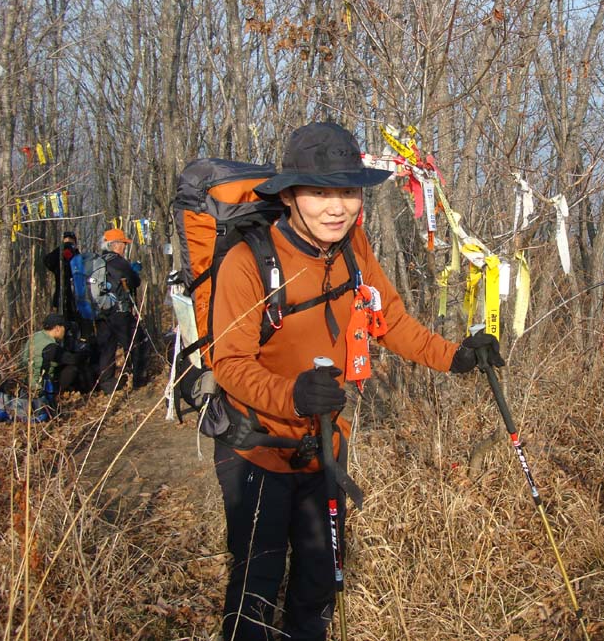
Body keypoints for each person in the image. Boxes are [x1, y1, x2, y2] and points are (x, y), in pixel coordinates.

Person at [210, 121, 503, 641]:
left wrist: (455, 357)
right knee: (255, 591)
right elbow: (229, 363)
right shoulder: (247, 261)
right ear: (291, 194)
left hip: (326, 448)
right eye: (321, 192)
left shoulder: (353, 249)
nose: (337, 206)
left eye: (347, 191)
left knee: (319, 585)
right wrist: (293, 395)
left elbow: (389, 320)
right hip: (256, 453)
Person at [96, 227, 144, 394]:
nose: (124, 247)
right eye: (123, 244)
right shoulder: (120, 262)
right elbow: (134, 282)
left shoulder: (98, 261)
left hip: (102, 312)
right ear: (115, 245)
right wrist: (134, 271)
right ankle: (137, 378)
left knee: (107, 348)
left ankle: (107, 384)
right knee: (134, 342)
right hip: (120, 312)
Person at [21, 312, 92, 398]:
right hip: (39, 386)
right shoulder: (50, 346)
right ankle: (58, 393)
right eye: (64, 328)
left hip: (26, 380)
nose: (65, 331)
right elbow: (72, 359)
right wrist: (85, 351)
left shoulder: (36, 336)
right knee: (73, 369)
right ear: (57, 328)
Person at [43, 231, 80, 321]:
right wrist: (62, 249)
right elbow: (47, 261)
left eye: (70, 242)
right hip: (61, 295)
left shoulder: (77, 256)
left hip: (76, 297)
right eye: (66, 242)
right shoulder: (58, 256)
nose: (68, 245)